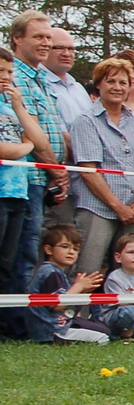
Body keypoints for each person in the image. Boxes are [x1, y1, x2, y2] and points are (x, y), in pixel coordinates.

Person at [6, 12, 69, 337]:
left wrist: (61, 170)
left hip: (43, 179)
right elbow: (31, 135)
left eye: (49, 38)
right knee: (23, 255)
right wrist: (54, 169)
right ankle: (16, 327)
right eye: (39, 37)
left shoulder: (40, 77)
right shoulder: (14, 77)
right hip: (26, 178)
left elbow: (54, 130)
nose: (46, 44)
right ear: (18, 39)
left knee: (28, 253)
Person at [69, 56, 134, 276]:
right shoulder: (86, 121)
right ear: (99, 84)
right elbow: (89, 171)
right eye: (111, 82)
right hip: (98, 208)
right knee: (88, 270)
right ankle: (78, 311)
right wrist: (118, 207)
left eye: (123, 83)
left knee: (131, 272)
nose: (117, 87)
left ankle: (124, 312)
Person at [0, 46, 51, 300]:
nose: (5, 76)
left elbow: (40, 142)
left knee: (7, 261)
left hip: (18, 191)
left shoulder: (9, 106)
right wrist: (25, 147)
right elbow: (5, 149)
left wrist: (19, 106)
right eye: (0, 70)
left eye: (9, 71)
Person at [25, 224, 107, 343]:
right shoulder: (50, 272)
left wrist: (82, 291)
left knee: (105, 330)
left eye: (75, 249)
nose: (71, 252)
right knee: (103, 338)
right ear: (48, 249)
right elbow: (57, 305)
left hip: (61, 325)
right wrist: (78, 286)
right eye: (65, 246)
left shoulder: (57, 271)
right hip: (53, 330)